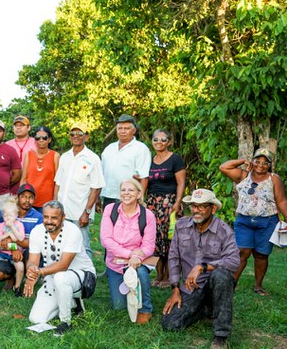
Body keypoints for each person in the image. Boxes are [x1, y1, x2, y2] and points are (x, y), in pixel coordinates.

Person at [161, 189, 239, 349]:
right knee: (170, 323)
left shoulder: (224, 230)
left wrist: (204, 266)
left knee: (221, 276)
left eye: (202, 207)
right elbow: (173, 257)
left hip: (214, 285)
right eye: (194, 206)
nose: (196, 210)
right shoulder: (181, 226)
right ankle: (204, 309)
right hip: (192, 287)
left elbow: (234, 261)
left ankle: (221, 336)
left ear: (213, 208)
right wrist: (175, 288)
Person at [219, 148, 287, 295]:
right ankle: (232, 284)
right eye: (257, 161)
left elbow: (282, 200)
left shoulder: (274, 178)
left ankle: (258, 285)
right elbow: (224, 167)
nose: (260, 165)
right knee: (242, 252)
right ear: (252, 161)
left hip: (267, 221)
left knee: (261, 254)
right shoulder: (243, 175)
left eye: (265, 163)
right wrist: (242, 161)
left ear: (270, 165)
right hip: (244, 220)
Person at [24, 200, 97, 336]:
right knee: (36, 318)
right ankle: (72, 302)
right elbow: (32, 261)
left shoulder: (72, 230)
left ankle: (66, 322)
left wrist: (39, 272)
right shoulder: (36, 232)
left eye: (54, 218)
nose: (49, 221)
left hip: (82, 277)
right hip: (52, 277)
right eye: (46, 217)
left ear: (63, 218)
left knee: (61, 277)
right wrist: (31, 271)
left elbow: (64, 265)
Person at [100, 179, 156, 324]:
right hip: (116, 264)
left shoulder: (147, 215)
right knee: (119, 306)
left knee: (141, 272)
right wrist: (130, 254)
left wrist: (136, 257)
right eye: (123, 190)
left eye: (131, 190)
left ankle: (145, 309)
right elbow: (105, 239)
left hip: (138, 262)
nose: (126, 193)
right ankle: (132, 289)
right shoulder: (111, 209)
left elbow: (149, 245)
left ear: (138, 194)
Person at [54, 123, 105, 257]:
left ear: (86, 137)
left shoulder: (93, 158)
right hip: (63, 211)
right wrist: (55, 207)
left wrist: (86, 212)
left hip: (79, 212)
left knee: (83, 247)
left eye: (80, 134)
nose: (76, 136)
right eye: (72, 134)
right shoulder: (64, 157)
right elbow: (58, 183)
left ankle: (88, 276)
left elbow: (96, 187)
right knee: (62, 244)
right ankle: (68, 274)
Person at [147, 129, 186, 287]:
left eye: (163, 140)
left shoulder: (175, 159)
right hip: (152, 204)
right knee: (155, 240)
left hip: (169, 203)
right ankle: (159, 275)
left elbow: (181, 183)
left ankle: (170, 277)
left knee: (169, 240)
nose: (159, 142)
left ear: (169, 142)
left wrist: (177, 202)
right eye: (156, 139)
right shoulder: (149, 160)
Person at [0, 183, 44, 292]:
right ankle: (10, 277)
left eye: (30, 197)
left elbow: (35, 243)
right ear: (18, 197)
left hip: (26, 254)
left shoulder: (38, 217)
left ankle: (28, 278)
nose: (27, 200)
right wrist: (12, 248)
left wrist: (12, 241)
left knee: (32, 250)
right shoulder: (5, 213)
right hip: (5, 252)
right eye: (23, 196)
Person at [100, 114, 151, 209]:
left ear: (134, 131)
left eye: (126, 128)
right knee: (109, 223)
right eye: (120, 128)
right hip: (108, 196)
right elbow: (101, 174)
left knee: (128, 223)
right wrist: (98, 197)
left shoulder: (140, 149)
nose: (122, 131)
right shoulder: (109, 148)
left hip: (129, 197)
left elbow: (144, 177)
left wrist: (140, 198)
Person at [20, 126, 59, 210]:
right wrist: (21, 198)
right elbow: (24, 179)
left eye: (44, 138)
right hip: (29, 201)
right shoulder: (29, 154)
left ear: (49, 139)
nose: (41, 140)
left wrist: (55, 200)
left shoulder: (55, 155)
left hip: (47, 202)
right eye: (38, 138)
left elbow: (57, 181)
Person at [0, 201, 26, 293]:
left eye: (10, 215)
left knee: (20, 267)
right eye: (5, 215)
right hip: (2, 252)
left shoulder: (19, 225)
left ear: (16, 215)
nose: (7, 218)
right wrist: (8, 234)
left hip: (15, 253)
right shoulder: (2, 225)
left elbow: (20, 238)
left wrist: (12, 229)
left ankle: (17, 287)